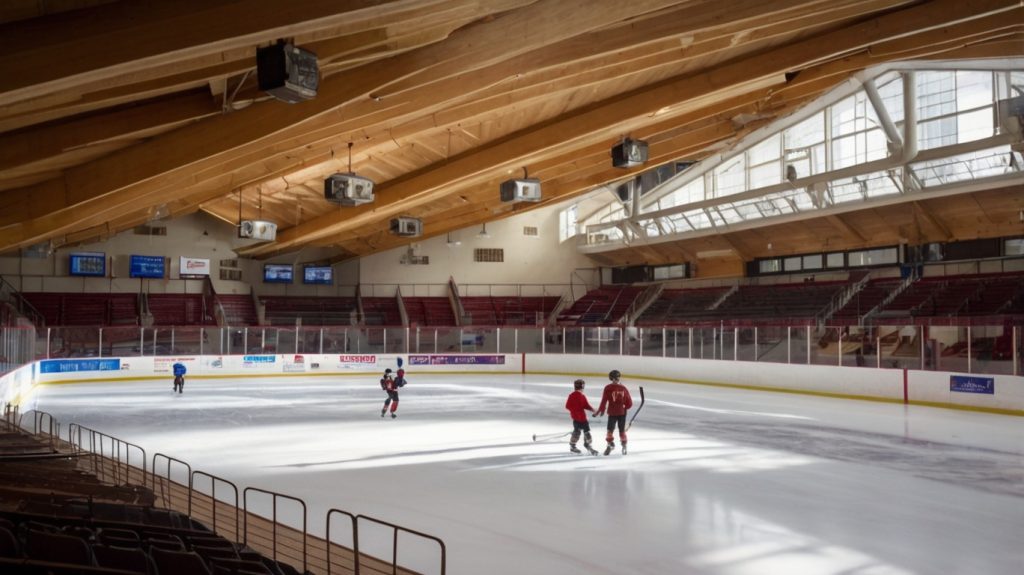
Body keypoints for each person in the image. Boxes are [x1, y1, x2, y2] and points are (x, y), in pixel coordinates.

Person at [595, 369, 633, 455]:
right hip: (622, 413)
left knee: (610, 431)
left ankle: (610, 444)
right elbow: (629, 403)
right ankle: (624, 445)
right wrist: (624, 407)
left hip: (612, 412)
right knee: (622, 431)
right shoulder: (624, 388)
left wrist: (602, 409)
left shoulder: (608, 388)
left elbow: (604, 401)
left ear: (611, 378)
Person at [564, 379, 598, 455]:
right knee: (580, 433)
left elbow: (585, 405)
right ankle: (578, 446)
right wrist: (575, 411)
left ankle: (583, 445)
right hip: (579, 418)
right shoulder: (576, 395)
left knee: (583, 433)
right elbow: (568, 406)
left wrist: (593, 410)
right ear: (582, 387)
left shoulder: (580, 396)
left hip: (580, 418)